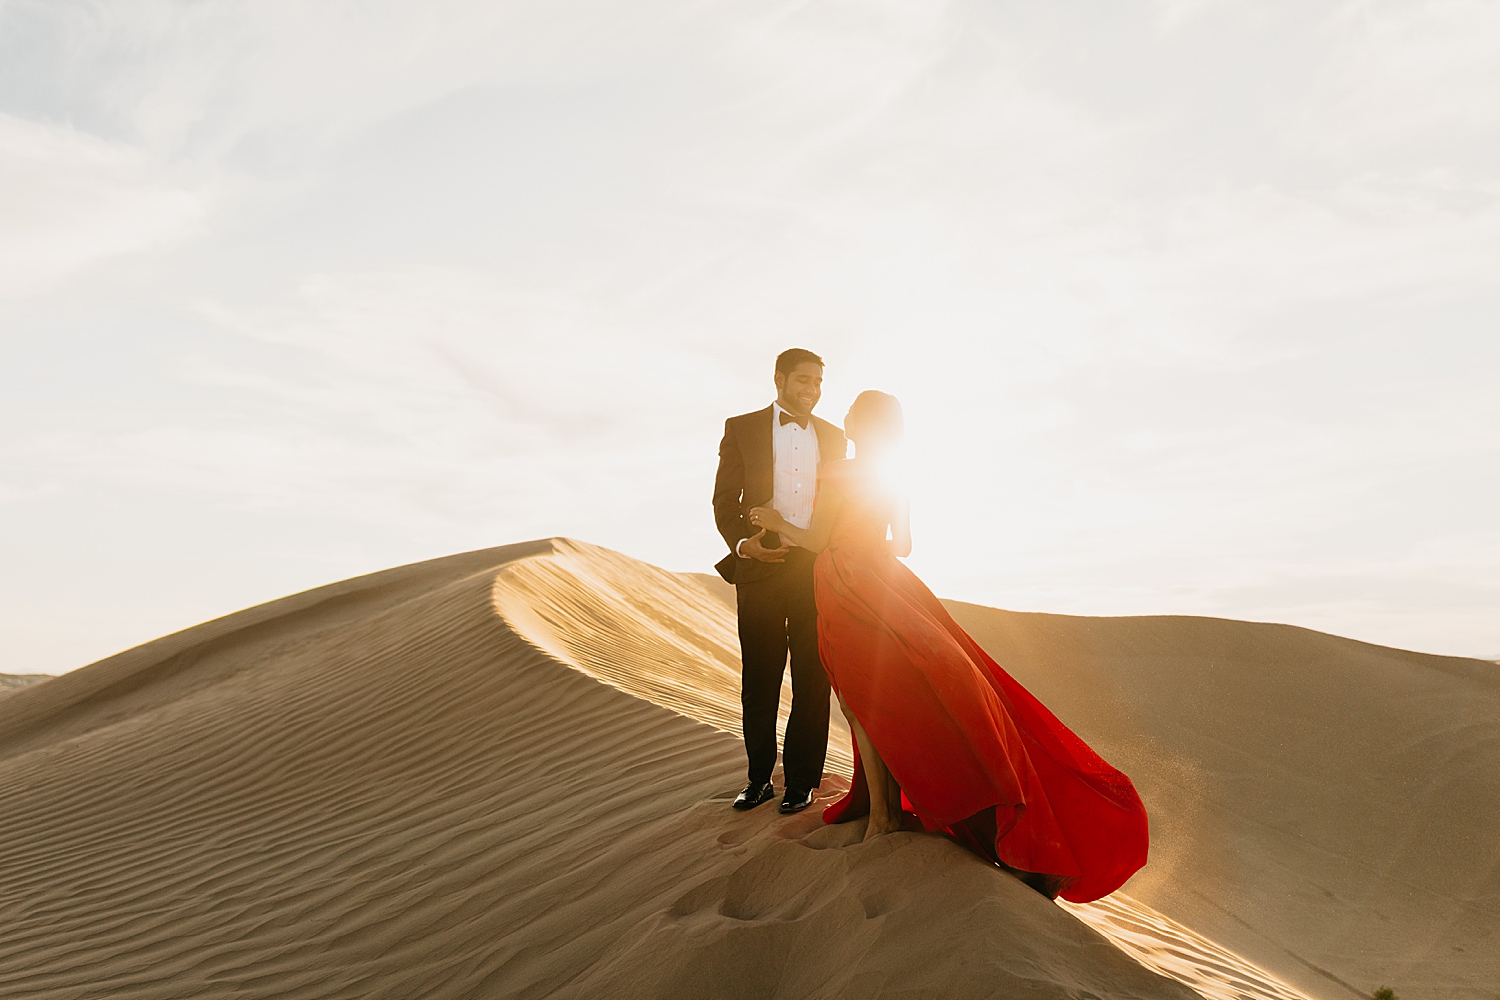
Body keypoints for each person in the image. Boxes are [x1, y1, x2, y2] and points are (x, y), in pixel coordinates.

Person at [748, 391, 1149, 903]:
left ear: (862, 424)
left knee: (858, 698)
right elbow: (904, 544)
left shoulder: (837, 471)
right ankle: (890, 815)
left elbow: (816, 539)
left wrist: (773, 521)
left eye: (851, 411)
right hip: (886, 579)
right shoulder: (896, 477)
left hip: (847, 583)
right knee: (891, 693)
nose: (842, 416)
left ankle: (882, 819)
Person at [712, 349, 848, 814]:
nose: (811, 390)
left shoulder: (834, 436)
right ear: (779, 378)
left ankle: (802, 781)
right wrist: (745, 545)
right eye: (803, 381)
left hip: (814, 568)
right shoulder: (741, 427)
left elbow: (837, 506)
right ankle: (758, 779)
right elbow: (723, 500)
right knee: (761, 677)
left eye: (818, 383)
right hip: (759, 567)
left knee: (813, 675)